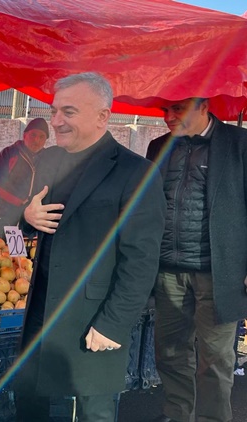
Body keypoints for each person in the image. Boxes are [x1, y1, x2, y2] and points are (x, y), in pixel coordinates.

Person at [16, 72, 166, 421]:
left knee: (93, 411)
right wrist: (27, 215)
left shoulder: (136, 172)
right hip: (41, 309)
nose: (56, 121)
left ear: (102, 116)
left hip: (94, 316)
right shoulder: (48, 160)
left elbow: (141, 260)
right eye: (54, 111)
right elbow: (32, 215)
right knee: (29, 404)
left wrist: (113, 323)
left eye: (68, 112)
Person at [145, 97, 247, 422]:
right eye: (165, 110)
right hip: (167, 271)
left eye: (178, 108)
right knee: (170, 352)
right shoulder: (157, 147)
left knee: (215, 358)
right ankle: (178, 415)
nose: (168, 116)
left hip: (220, 273)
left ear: (204, 106)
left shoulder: (240, 144)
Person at [0, 117, 49, 230]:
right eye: (33, 135)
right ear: (24, 135)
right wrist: (19, 202)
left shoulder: (46, 158)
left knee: (27, 241)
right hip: (3, 210)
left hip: (30, 212)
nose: (37, 140)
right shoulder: (9, 153)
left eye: (42, 137)